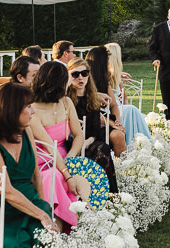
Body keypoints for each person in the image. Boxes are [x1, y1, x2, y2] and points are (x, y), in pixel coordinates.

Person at [0, 83, 58, 246]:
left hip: (30, 202)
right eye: (29, 106)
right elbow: (6, 190)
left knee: (48, 238)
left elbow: (36, 175)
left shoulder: (26, 132)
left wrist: (44, 206)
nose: (33, 111)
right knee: (9, 243)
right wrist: (42, 215)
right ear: (12, 110)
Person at [30, 61, 109, 228]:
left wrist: (72, 156)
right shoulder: (32, 110)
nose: (69, 83)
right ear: (56, 83)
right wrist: (67, 173)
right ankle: (60, 229)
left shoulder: (66, 102)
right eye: (66, 79)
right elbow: (49, 148)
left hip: (66, 156)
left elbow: (79, 135)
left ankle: (91, 224)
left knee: (90, 170)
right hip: (43, 161)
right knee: (56, 178)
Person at [67, 57, 120, 192]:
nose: (80, 78)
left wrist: (87, 141)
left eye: (84, 73)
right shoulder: (64, 99)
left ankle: (107, 196)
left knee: (103, 150)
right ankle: (95, 195)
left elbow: (95, 130)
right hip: (69, 143)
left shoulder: (92, 98)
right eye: (75, 74)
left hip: (89, 141)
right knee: (100, 151)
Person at [84, 46, 128, 150]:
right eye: (107, 59)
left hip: (106, 120)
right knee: (117, 135)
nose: (109, 62)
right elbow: (91, 113)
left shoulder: (104, 80)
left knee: (119, 134)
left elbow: (113, 105)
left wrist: (117, 121)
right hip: (90, 123)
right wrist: (112, 123)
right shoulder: (85, 81)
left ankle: (122, 165)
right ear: (101, 62)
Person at [105, 43, 151, 142]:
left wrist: (125, 104)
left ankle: (143, 143)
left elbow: (124, 96)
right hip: (110, 111)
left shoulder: (117, 76)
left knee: (132, 110)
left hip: (121, 109)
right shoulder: (102, 75)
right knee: (131, 110)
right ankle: (142, 142)